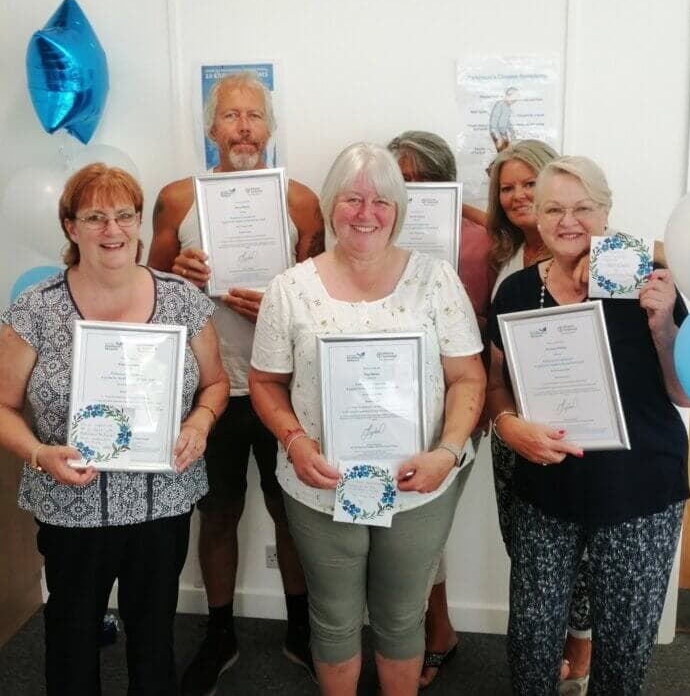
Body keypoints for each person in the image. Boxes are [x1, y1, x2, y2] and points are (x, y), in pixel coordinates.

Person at [0, 164, 230, 694]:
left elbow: (216, 384)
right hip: (71, 503)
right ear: (70, 227)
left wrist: (201, 423)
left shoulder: (182, 300)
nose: (111, 230)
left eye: (123, 215)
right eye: (94, 217)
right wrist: (39, 453)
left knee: (154, 639)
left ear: (139, 222)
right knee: (70, 642)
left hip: (161, 499)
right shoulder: (36, 310)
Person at [248, 142, 486, 695]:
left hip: (419, 483)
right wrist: (294, 441)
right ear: (331, 206)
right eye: (352, 199)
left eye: (380, 201)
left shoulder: (435, 279)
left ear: (398, 210)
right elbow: (264, 384)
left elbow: (468, 378)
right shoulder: (291, 289)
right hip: (320, 483)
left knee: (402, 617)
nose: (365, 213)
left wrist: (447, 453)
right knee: (332, 618)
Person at [487, 155, 690, 695]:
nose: (568, 220)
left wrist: (663, 324)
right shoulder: (514, 293)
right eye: (554, 208)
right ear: (537, 214)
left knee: (624, 648)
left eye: (583, 207)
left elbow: (683, 393)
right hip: (546, 486)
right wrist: (507, 425)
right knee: (531, 639)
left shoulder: (649, 284)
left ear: (606, 211)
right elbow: (494, 385)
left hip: (640, 490)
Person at [148, 70, 325, 692]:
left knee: (293, 513)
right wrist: (176, 272)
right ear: (211, 128)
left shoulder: (300, 199)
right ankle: (220, 631)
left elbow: (323, 293)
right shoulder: (178, 197)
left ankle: (300, 628)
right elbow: (149, 286)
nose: (243, 126)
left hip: (283, 387)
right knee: (217, 514)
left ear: (270, 129)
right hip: (211, 388)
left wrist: (281, 302)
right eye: (231, 116)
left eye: (254, 115)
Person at [386, 130, 494, 688]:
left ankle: (432, 633)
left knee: (430, 529)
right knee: (413, 528)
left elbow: (499, 321)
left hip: (456, 403)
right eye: (400, 180)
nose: (412, 191)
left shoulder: (480, 239)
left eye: (424, 180)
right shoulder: (372, 231)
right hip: (390, 405)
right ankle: (436, 629)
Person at [487, 140, 593, 691]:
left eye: (531, 183)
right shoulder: (499, 261)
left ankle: (580, 640)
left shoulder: (600, 256)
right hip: (514, 425)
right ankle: (548, 645)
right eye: (507, 187)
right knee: (526, 544)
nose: (519, 195)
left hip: (582, 423)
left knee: (584, 541)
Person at [489, 87, 518, 152]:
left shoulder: (508, 108)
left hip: (503, 133)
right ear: (508, 96)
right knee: (503, 153)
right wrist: (498, 137)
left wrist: (513, 132)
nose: (514, 101)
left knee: (508, 151)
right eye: (513, 99)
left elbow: (507, 121)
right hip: (496, 133)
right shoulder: (499, 105)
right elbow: (493, 124)